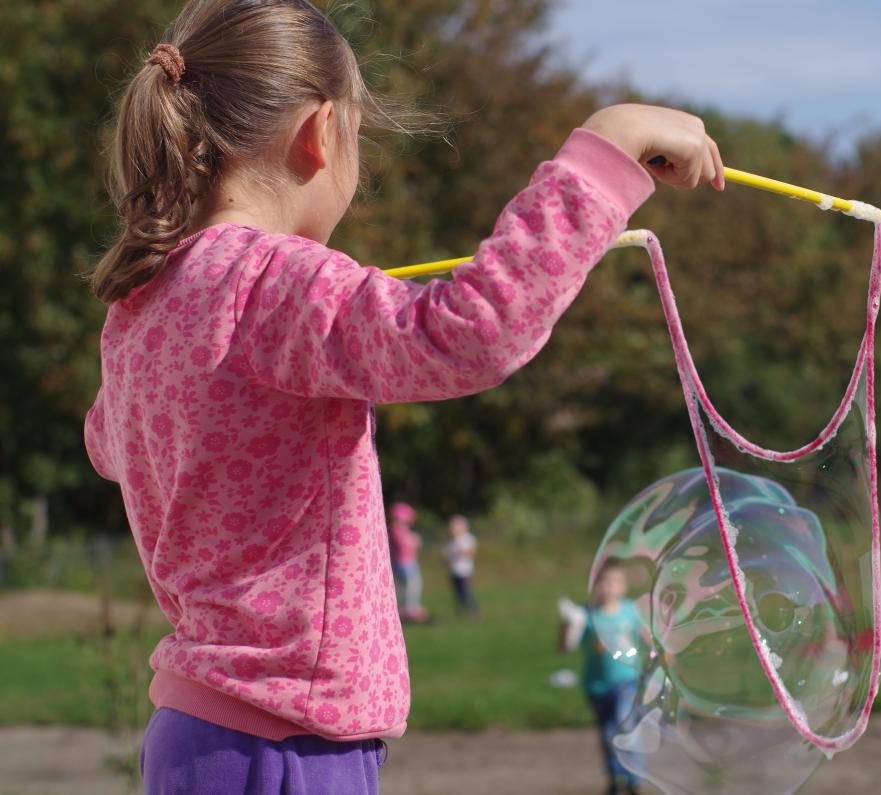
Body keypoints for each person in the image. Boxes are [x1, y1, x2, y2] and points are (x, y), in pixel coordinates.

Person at [82, 0, 724, 792]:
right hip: (283, 745)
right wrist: (605, 153)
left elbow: (108, 442)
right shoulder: (271, 282)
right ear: (319, 134)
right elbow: (472, 332)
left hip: (202, 734)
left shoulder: (144, 303)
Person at [559, 559, 645, 795]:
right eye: (601, 582)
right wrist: (566, 626)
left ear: (623, 586)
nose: (607, 587)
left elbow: (645, 635)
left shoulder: (629, 610)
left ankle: (633, 778)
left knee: (624, 725)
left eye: (613, 582)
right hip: (597, 685)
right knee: (607, 733)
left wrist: (663, 650)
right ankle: (615, 778)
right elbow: (564, 648)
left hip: (627, 680)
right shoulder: (585, 615)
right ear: (593, 585)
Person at [389, 502, 428, 623]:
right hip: (406, 563)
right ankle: (410, 611)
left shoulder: (395, 530)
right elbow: (405, 546)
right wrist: (415, 541)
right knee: (412, 587)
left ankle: (407, 610)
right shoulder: (398, 530)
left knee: (405, 588)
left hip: (403, 563)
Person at [443, 514, 479, 615]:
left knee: (465, 592)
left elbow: (471, 552)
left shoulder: (468, 538)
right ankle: (461, 611)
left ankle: (473, 610)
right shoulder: (451, 541)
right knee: (457, 593)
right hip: (454, 570)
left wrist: (459, 552)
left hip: (465, 571)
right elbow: (447, 555)